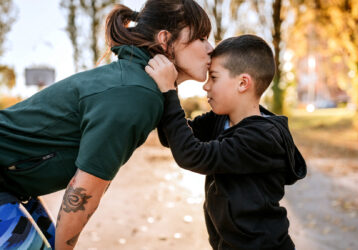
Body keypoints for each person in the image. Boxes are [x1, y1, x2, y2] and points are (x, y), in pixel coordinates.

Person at [0, 1, 212, 249]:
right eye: (201, 37)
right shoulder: (135, 95)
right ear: (165, 40)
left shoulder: (138, 84)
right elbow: (83, 194)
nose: (210, 49)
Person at [146, 34, 307, 249]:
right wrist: (171, 80)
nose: (206, 86)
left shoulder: (261, 138)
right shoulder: (221, 119)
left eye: (213, 77)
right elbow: (173, 137)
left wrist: (170, 91)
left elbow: (191, 155)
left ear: (242, 83)